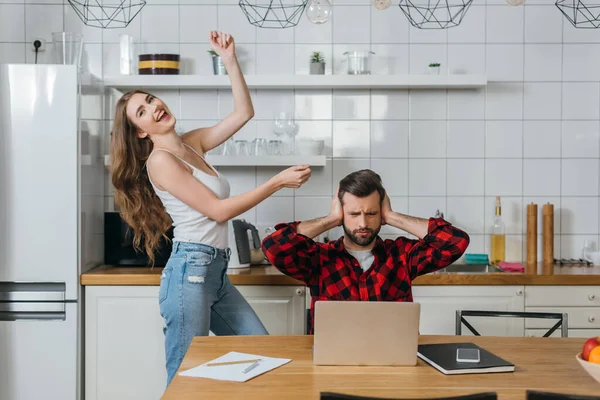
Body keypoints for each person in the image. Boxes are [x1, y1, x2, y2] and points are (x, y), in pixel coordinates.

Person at [109, 31, 312, 385]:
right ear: (140, 131)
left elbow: (244, 112)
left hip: (213, 273)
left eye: (151, 99)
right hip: (189, 274)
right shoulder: (160, 161)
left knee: (263, 354)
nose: (154, 107)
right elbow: (218, 211)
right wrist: (275, 182)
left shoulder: (192, 143)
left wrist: (230, 59)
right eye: (142, 111)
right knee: (183, 380)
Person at [261, 169, 469, 334]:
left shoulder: (402, 256)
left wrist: (393, 216)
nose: (363, 223)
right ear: (341, 212)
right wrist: (331, 219)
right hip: (334, 364)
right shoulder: (319, 259)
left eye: (372, 213)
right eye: (353, 213)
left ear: (381, 213)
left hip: (394, 364)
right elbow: (274, 247)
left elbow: (455, 242)